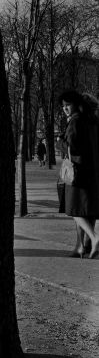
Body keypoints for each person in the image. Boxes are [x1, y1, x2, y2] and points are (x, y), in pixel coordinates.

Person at [59, 90, 99, 259]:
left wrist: (61, 141)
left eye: (68, 105)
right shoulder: (94, 121)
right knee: (87, 210)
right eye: (63, 106)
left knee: (75, 208)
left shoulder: (76, 121)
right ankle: (83, 246)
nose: (65, 109)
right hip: (93, 171)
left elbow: (72, 146)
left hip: (77, 171)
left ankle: (92, 239)